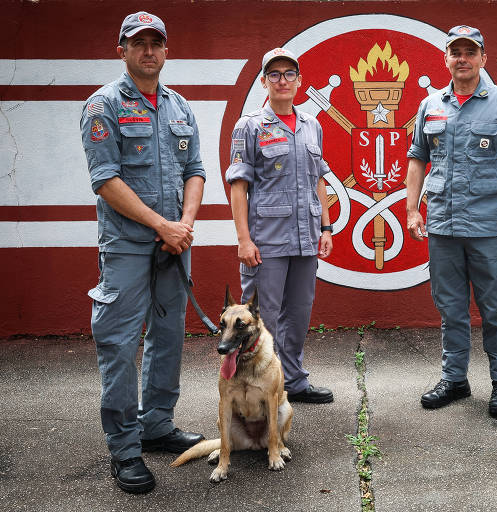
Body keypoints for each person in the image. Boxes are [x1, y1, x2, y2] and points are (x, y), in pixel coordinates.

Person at [80, 12, 206, 493]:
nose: (149, 50)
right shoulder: (104, 106)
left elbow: (195, 168)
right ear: (122, 50)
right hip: (129, 246)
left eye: (157, 43)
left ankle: (156, 426)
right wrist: (161, 225)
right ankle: (125, 449)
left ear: (166, 51)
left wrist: (185, 225)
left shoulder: (179, 107)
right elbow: (105, 181)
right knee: (118, 343)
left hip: (174, 244)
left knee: (169, 336)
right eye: (139, 43)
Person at [406, 26, 497, 417]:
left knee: (494, 308)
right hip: (443, 226)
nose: (462, 58)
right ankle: (455, 379)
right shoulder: (431, 105)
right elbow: (418, 156)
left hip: (488, 227)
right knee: (450, 308)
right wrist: (413, 209)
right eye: (455, 52)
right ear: (445, 58)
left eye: (470, 51)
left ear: (483, 57)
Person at [226, 48, 334, 405]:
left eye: (289, 74)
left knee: (299, 313)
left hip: (305, 239)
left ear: (300, 81)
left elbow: (319, 180)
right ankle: (251, 390)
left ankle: (294, 382)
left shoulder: (311, 125)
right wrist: (243, 239)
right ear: (264, 82)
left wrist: (326, 228)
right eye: (275, 74)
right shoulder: (250, 126)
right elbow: (238, 186)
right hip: (266, 242)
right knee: (260, 320)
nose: (283, 80)